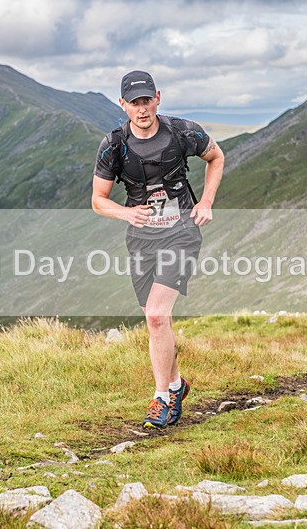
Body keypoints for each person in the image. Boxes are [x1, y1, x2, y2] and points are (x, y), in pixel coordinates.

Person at [91, 70, 224, 429]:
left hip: (181, 233)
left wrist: (207, 201)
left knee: (155, 315)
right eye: (134, 102)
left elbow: (216, 156)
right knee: (157, 322)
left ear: (158, 98)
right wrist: (127, 213)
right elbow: (98, 201)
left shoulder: (183, 132)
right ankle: (177, 386)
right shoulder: (113, 145)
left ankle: (161, 398)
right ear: (123, 105)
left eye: (147, 100)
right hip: (141, 239)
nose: (142, 108)